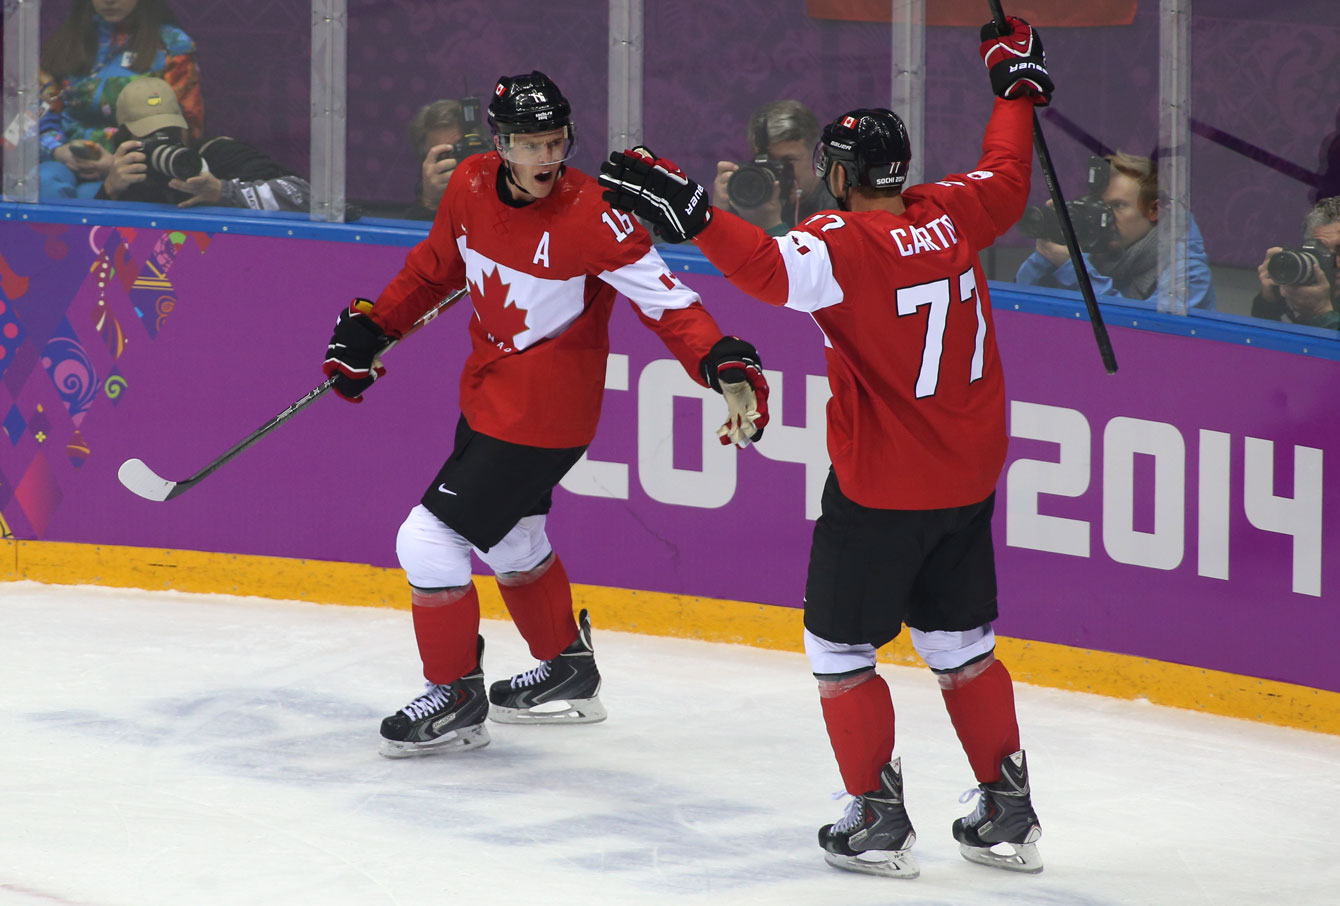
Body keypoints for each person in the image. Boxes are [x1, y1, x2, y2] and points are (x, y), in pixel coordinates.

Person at [600, 17, 1052, 880]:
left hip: (882, 487)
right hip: (967, 477)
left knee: (840, 652)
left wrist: (695, 211)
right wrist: (1014, 90)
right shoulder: (948, 214)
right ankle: (1008, 809)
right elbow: (1007, 173)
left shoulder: (846, 245)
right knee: (960, 644)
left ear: (842, 175)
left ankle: (878, 818)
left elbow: (767, 272)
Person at [321, 71, 771, 759]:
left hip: (543, 414)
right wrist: (372, 327)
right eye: (531, 144)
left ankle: (456, 693)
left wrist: (720, 362)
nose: (546, 158)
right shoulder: (470, 183)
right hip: (488, 395)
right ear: (500, 143)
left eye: (557, 142)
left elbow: (669, 303)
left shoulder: (596, 215)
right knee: (511, 539)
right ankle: (567, 668)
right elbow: (433, 269)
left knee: (427, 539)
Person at [38, 0, 203, 201]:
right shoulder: (63, 43)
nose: (109, 1)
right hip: (65, 159)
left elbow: (186, 128)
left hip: (134, 168)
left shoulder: (173, 46)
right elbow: (35, 116)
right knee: (45, 181)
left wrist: (122, 162)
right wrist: (57, 150)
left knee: (90, 196)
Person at [1015, 151, 1217, 310]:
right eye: (1099, 205)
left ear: (1154, 210)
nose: (1105, 217)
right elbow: (1018, 302)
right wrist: (1050, 244)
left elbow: (1145, 332)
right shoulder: (1096, 251)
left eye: (1118, 206)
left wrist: (1076, 269)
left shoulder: (1189, 274)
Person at [95, 77, 309, 211]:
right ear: (124, 137)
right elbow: (90, 247)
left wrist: (224, 193)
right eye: (149, 135)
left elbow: (306, 196)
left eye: (169, 131)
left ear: (184, 127)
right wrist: (109, 191)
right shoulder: (128, 176)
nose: (162, 142)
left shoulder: (219, 153)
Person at [711, 100, 830, 236]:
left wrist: (770, 225)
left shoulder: (840, 206)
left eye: (788, 160)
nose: (775, 171)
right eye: (765, 161)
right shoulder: (748, 199)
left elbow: (813, 257)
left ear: (818, 157)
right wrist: (719, 219)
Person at [1250, 196, 1340, 330]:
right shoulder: (1309, 289)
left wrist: (1321, 312)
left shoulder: (1318, 303)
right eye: (1324, 252)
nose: (1336, 263)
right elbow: (1260, 346)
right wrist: (1268, 304)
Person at [400, 99, 489, 221]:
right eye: (446, 154)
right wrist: (430, 203)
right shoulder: (422, 212)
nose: (458, 162)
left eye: (463, 150)